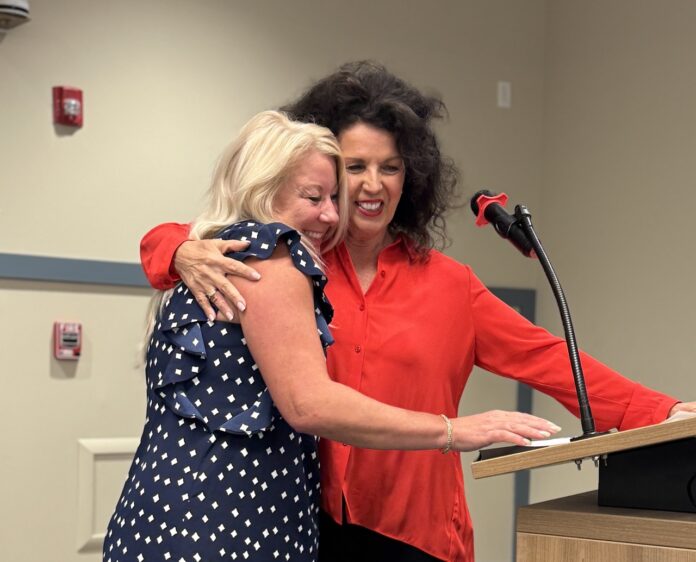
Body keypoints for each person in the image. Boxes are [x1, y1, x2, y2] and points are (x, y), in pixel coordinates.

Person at [138, 63, 696, 562]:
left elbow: (549, 359)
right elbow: (182, 236)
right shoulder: (289, 263)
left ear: (413, 177)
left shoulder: (450, 285)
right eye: (354, 166)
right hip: (312, 527)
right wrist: (178, 250)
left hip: (419, 536)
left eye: (392, 167)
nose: (373, 185)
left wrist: (663, 411)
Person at [105, 110, 558, 562]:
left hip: (156, 519)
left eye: (333, 197)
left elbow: (547, 358)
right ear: (264, 188)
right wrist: (452, 430)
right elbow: (310, 404)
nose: (329, 213)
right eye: (314, 196)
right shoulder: (274, 255)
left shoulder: (212, 252)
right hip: (230, 526)